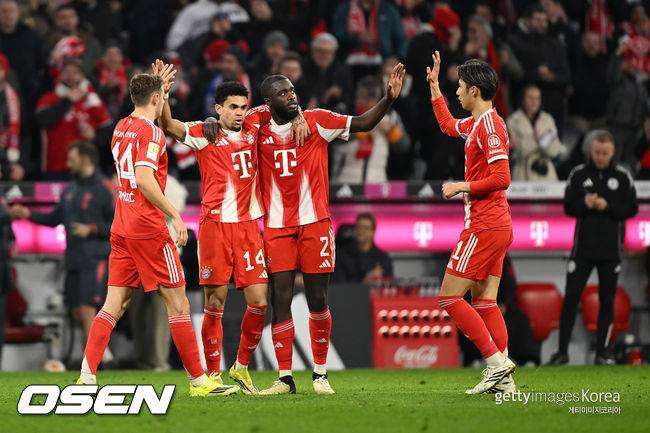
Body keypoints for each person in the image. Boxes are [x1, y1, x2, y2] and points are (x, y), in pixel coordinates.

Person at [73, 69, 238, 396]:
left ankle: (86, 376)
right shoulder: (151, 133)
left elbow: (134, 164)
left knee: (114, 304)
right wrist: (174, 215)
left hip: (121, 226)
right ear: (155, 99)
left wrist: (162, 89)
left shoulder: (121, 126)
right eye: (162, 98)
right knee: (177, 304)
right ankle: (199, 382)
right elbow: (144, 178)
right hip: (148, 229)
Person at [156, 64, 309, 394]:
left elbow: (284, 103)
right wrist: (164, 94)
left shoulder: (254, 122)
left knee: (259, 301)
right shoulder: (204, 133)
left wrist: (299, 116)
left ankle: (240, 366)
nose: (240, 113)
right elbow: (167, 124)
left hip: (248, 227)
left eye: (243, 107)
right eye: (233, 107)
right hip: (215, 227)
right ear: (218, 109)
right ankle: (213, 375)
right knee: (215, 302)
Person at [256, 63, 405, 395]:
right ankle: (284, 378)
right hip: (277, 226)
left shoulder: (317, 121)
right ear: (268, 102)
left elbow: (363, 123)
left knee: (317, 298)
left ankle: (320, 374)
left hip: (316, 224)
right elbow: (233, 122)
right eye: (282, 93)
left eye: (292, 90)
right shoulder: (258, 130)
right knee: (279, 299)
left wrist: (388, 99)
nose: (291, 96)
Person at [427, 51, 516, 394]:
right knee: (485, 302)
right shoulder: (479, 123)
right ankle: (504, 381)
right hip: (497, 225)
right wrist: (435, 88)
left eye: (460, 87)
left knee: (449, 298)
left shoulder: (490, 126)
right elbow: (448, 125)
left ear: (475, 91)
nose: (458, 92)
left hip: (484, 225)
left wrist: (461, 186)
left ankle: (495, 363)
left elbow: (502, 178)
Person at [9, 142, 116, 368]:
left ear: (86, 159)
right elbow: (54, 218)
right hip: (73, 258)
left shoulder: (105, 188)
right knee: (77, 310)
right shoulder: (71, 189)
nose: (67, 163)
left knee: (87, 309)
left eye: (72, 159)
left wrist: (92, 229)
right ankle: (100, 355)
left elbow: (120, 224)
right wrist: (28, 214)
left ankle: (96, 361)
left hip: (94, 258)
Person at [547, 130, 638, 366]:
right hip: (583, 250)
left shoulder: (622, 176)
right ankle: (562, 352)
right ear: (591, 151)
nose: (600, 157)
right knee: (571, 298)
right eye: (597, 152)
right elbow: (568, 206)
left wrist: (608, 206)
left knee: (607, 301)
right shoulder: (578, 174)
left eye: (605, 153)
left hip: (611, 251)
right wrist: (584, 203)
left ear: (613, 152)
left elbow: (632, 208)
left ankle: (602, 352)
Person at [35, 59, 111, 178]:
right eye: (66, 71)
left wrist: (95, 136)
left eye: (75, 72)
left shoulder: (91, 100)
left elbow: (109, 132)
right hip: (54, 168)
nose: (70, 75)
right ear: (59, 75)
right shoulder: (49, 98)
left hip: (84, 169)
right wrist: (68, 101)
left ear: (82, 76)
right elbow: (41, 120)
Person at [507, 84, 564, 181]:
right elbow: (516, 151)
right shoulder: (512, 121)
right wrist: (541, 141)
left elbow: (555, 150)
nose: (534, 101)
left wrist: (528, 141)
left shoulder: (548, 119)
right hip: (522, 172)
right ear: (523, 100)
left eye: (537, 98)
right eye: (530, 97)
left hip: (546, 172)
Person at [333, 212, 393, 284]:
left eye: (366, 228)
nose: (361, 231)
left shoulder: (383, 258)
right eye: (358, 227)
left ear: (373, 231)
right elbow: (337, 286)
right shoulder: (341, 256)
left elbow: (389, 285)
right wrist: (364, 283)